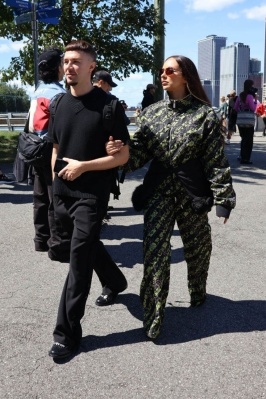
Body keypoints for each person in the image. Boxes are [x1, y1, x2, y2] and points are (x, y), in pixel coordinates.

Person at [107, 55, 236, 340]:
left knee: (198, 247)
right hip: (159, 192)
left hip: (193, 192)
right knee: (155, 253)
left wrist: (224, 199)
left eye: (170, 70)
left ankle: (197, 291)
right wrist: (120, 157)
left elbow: (215, 161)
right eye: (161, 70)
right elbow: (139, 151)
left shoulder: (205, 115)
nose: (163, 75)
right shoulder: (152, 113)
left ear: (185, 76)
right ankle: (153, 318)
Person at [47, 40, 129, 360]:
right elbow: (56, 147)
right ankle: (115, 280)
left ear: (91, 67)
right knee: (88, 246)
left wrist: (84, 166)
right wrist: (54, 187)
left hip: (92, 196)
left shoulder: (109, 106)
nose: (69, 66)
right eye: (66, 61)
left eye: (77, 62)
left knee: (79, 263)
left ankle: (66, 335)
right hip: (63, 194)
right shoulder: (57, 104)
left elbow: (122, 156)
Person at [28, 47, 67, 259]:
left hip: (35, 148)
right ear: (57, 68)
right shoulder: (59, 94)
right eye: (63, 63)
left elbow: (32, 125)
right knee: (56, 198)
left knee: (40, 197)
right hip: (52, 149)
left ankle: (41, 240)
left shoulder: (38, 91)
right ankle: (57, 243)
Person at [234, 79, 258, 165]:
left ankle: (241, 156)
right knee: (248, 141)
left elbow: (235, 108)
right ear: (250, 86)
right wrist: (255, 101)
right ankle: (246, 159)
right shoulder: (250, 97)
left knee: (243, 139)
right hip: (249, 121)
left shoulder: (240, 96)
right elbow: (253, 108)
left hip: (240, 121)